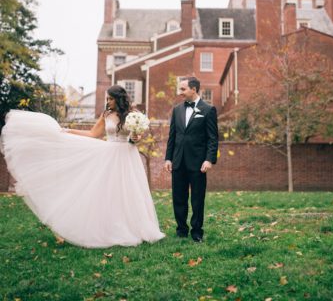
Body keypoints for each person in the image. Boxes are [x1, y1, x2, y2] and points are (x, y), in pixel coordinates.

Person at [0, 85, 165, 248]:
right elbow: (93, 134)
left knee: (129, 191)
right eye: (107, 98)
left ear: (119, 99)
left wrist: (136, 137)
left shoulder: (133, 115)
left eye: (110, 98)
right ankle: (109, 228)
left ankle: (136, 228)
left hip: (128, 156)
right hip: (109, 155)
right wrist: (69, 131)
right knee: (108, 192)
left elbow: (136, 138)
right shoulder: (106, 114)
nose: (107, 101)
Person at [164, 77, 218, 242]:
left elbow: (213, 138)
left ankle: (196, 232)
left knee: (197, 199)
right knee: (178, 198)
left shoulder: (208, 110)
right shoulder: (177, 110)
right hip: (178, 161)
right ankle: (181, 230)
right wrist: (168, 158)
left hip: (198, 163)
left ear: (193, 89)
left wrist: (209, 159)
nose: (180, 93)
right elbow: (172, 136)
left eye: (183, 89)